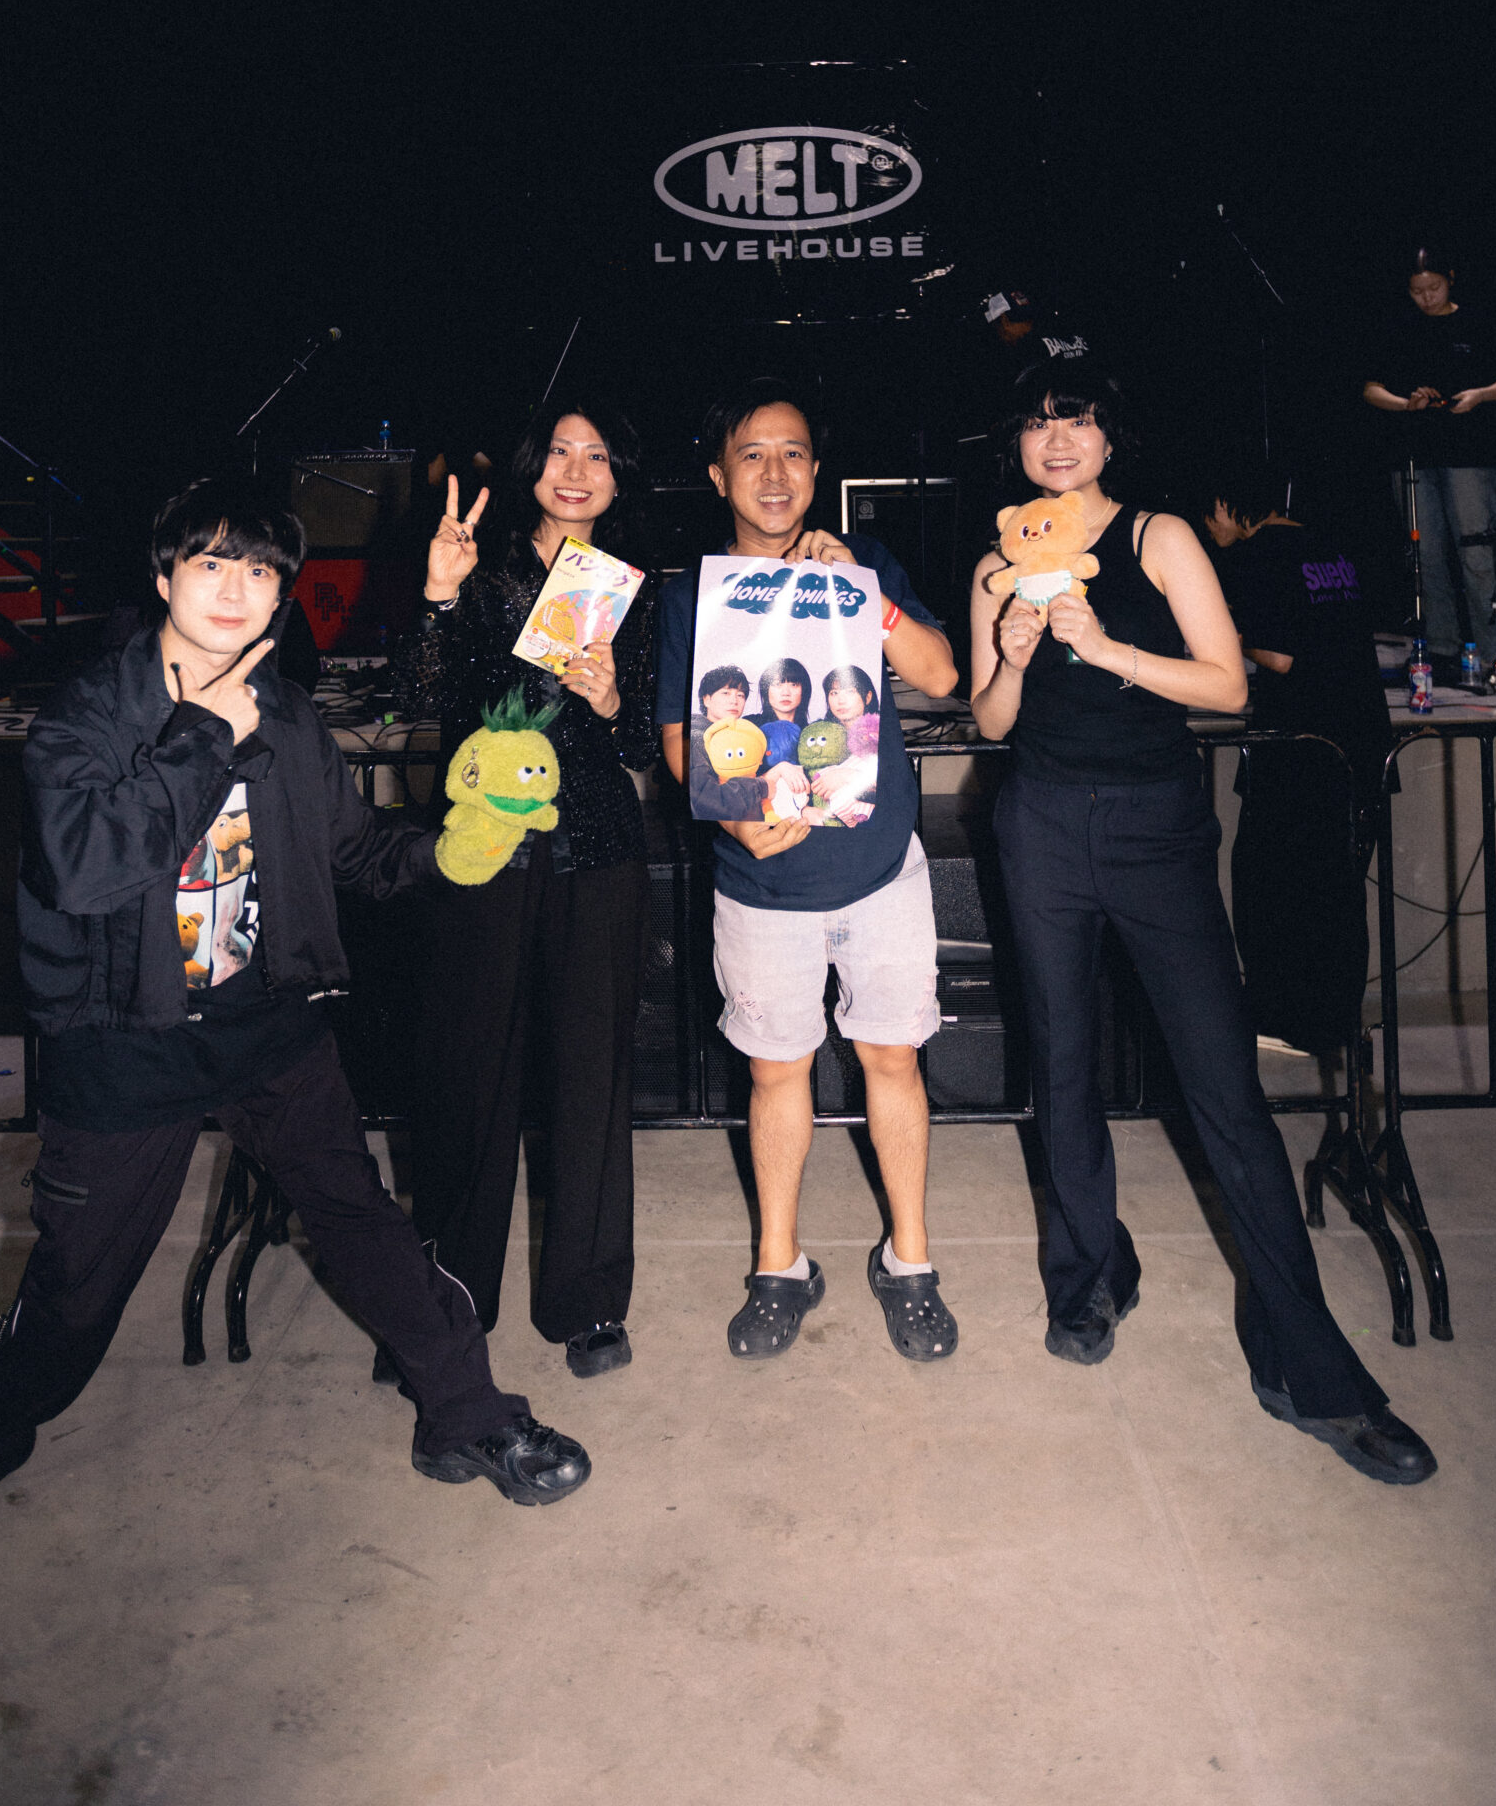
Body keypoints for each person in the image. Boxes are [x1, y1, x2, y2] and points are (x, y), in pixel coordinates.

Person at [0, 481, 590, 1575]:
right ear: (164, 577)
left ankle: (468, 1412)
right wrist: (203, 735)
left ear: (280, 594)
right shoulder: (86, 718)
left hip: (268, 1023)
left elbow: (354, 854)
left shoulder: (292, 717)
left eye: (259, 570)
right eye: (210, 564)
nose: (234, 589)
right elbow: (84, 870)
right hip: (125, 1042)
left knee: (362, 1220)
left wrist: (454, 849)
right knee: (77, 1287)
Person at [969, 355, 1436, 1486]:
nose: (1057, 440)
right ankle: (1090, 1277)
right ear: (1018, 446)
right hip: (1039, 822)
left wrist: (1104, 648)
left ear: (1109, 437)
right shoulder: (997, 562)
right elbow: (989, 721)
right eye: (1037, 424)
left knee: (1225, 1089)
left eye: (1077, 419)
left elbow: (1229, 684)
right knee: (1062, 1066)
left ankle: (1311, 1371)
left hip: (1155, 828)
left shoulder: (1159, 537)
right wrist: (1016, 658)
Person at [656, 378, 963, 1363]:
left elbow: (941, 674)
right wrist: (734, 812)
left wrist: (866, 597)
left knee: (893, 1058)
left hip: (879, 866)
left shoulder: (862, 565)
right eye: (751, 454)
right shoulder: (692, 594)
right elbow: (678, 734)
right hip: (761, 883)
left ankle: (909, 1262)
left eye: (792, 452)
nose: (774, 472)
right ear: (719, 476)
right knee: (775, 1069)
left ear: (817, 470)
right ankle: (778, 1266)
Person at [390, 399, 657, 1382]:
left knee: (593, 1077)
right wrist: (438, 592)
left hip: (599, 849)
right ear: (528, 466)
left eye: (598, 455)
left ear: (620, 477)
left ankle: (589, 1301)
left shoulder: (634, 586)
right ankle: (446, 1304)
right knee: (468, 1077)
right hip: (488, 852)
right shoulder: (482, 568)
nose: (576, 470)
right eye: (558, 452)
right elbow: (418, 699)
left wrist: (611, 698)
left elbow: (645, 744)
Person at [1201, 457, 1393, 1055]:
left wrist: (1225, 642)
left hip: (1300, 748)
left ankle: (1285, 1020)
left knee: (1271, 885)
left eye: (1209, 517)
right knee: (1338, 891)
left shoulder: (1259, 554)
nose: (1208, 529)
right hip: (1359, 738)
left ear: (1229, 509)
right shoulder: (1326, 546)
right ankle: (1334, 1022)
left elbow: (1279, 655)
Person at [1363, 246, 1496, 680]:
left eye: (1433, 287)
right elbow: (1371, 388)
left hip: (1469, 456)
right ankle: (1439, 645)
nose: (1426, 297)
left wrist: (1480, 395)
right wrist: (1405, 404)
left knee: (1477, 551)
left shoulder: (1477, 322)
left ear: (1450, 279)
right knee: (1425, 556)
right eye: (1417, 291)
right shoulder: (1398, 328)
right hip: (1415, 458)